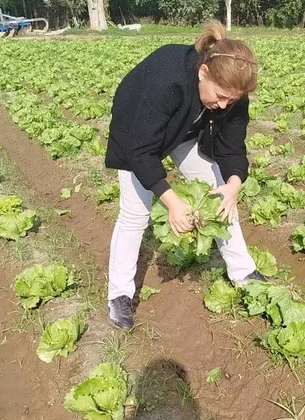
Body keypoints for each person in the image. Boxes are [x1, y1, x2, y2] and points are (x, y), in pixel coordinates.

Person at [104, 20, 266, 330]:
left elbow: (233, 147)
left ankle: (244, 273)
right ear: (203, 72)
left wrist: (233, 184)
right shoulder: (167, 77)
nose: (222, 106)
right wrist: (172, 203)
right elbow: (141, 151)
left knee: (220, 196)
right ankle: (119, 296)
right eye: (219, 97)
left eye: (230, 101)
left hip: (186, 131)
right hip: (137, 131)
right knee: (135, 214)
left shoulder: (232, 93)